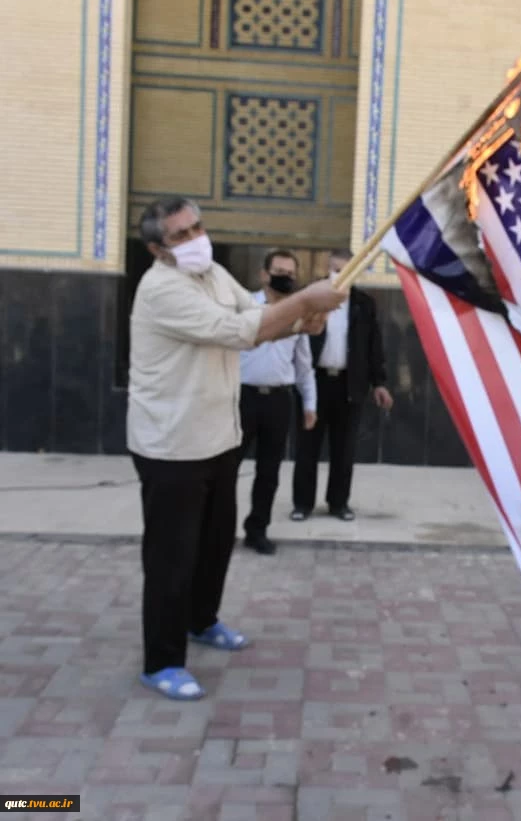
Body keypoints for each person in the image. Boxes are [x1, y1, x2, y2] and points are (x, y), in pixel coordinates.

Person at [127, 196, 345, 700]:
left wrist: (300, 322)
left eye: (197, 226)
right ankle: (161, 661)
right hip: (172, 444)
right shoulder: (162, 290)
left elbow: (257, 313)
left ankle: (201, 620)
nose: (196, 237)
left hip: (218, 437)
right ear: (159, 249)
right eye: (182, 234)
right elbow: (241, 332)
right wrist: (307, 301)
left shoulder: (214, 275)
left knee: (215, 540)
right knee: (171, 556)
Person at [290, 250, 394, 521]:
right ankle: (302, 504)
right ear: (328, 269)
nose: (340, 276)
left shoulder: (363, 304)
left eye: (346, 270)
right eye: (336, 270)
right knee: (307, 447)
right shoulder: (312, 298)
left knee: (344, 449)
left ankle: (338, 503)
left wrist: (379, 382)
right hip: (314, 382)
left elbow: (374, 346)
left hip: (349, 385)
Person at [239, 250, 317, 555]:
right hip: (241, 398)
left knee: (269, 472)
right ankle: (214, 528)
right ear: (264, 274)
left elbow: (303, 365)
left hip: (279, 402)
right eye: (278, 271)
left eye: (290, 273)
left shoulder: (298, 315)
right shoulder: (243, 306)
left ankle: (257, 529)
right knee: (224, 469)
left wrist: (310, 403)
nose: (284, 277)